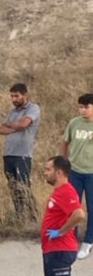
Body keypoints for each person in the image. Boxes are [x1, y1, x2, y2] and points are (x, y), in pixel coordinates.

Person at [39, 156, 85, 276]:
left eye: (48, 169)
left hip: (61, 248)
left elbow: (79, 214)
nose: (45, 172)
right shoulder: (58, 192)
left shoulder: (66, 191)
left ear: (59, 172)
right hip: (51, 248)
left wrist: (61, 231)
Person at [0, 83, 41, 220]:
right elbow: (1, 129)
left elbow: (24, 124)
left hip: (23, 153)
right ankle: (19, 215)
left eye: (16, 96)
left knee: (23, 185)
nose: (14, 99)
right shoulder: (13, 112)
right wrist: (17, 125)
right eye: (12, 96)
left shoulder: (33, 108)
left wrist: (13, 125)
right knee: (13, 186)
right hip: (9, 153)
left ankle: (33, 215)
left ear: (25, 95)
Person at [60, 93, 93, 260]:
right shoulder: (74, 123)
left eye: (86, 107)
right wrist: (65, 163)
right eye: (81, 107)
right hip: (75, 171)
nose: (83, 110)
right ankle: (71, 237)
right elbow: (65, 142)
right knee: (73, 206)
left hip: (92, 172)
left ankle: (88, 241)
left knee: (91, 208)